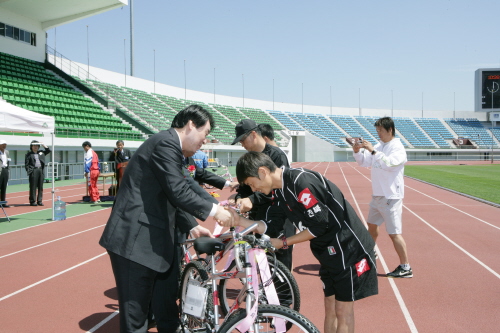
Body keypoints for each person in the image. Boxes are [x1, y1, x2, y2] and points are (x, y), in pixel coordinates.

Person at [98, 105, 232, 333]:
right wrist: (216, 212)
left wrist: (194, 225)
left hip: (157, 242)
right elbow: (178, 190)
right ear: (191, 125)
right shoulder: (165, 144)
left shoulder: (172, 150)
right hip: (134, 244)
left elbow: (183, 186)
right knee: (136, 320)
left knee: (168, 311)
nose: (205, 141)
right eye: (205, 133)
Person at [220, 152, 378, 333]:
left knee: (343, 310)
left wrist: (284, 242)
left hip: (348, 248)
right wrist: (239, 221)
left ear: (262, 172)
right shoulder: (279, 191)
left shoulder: (301, 183)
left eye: (250, 183)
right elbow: (271, 224)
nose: (253, 189)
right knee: (330, 306)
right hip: (328, 251)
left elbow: (320, 224)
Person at [352, 116, 412, 278]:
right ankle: (370, 253)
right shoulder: (379, 146)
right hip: (377, 195)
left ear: (390, 130)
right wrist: (357, 151)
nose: (378, 133)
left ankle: (405, 267)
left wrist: (373, 151)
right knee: (371, 226)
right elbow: (365, 163)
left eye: (380, 130)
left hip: (391, 196)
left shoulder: (397, 148)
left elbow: (390, 164)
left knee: (394, 233)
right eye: (376, 130)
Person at [231, 119, 294, 270]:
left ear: (253, 135)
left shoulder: (277, 155)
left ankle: (285, 294)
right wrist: (240, 198)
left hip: (279, 217)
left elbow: (278, 189)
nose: (242, 145)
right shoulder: (249, 158)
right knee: (261, 261)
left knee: (280, 264)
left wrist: (251, 200)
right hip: (259, 217)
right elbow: (246, 186)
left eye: (243, 140)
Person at [25, 140, 51, 206]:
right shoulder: (28, 154)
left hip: (40, 170)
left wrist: (43, 144)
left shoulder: (41, 153)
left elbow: (48, 150)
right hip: (33, 170)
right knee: (33, 187)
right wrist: (30, 171)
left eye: (37, 145)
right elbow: (26, 164)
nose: (35, 147)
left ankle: (39, 201)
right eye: (34, 145)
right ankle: (32, 201)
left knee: (40, 186)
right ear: (31, 146)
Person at [0, 139, 10, 207]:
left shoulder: (7, 152)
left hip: (5, 170)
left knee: (4, 187)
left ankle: (3, 202)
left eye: (5, 144)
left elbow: (8, 160)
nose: (4, 146)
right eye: (2, 144)